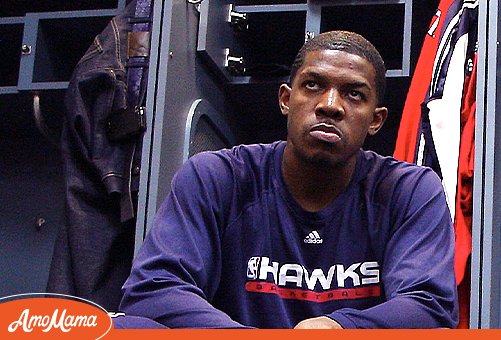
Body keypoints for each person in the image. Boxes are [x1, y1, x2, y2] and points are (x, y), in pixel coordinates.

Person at [117, 30, 458, 329]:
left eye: (354, 94)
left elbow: (429, 304)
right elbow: (154, 289)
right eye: (313, 85)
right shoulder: (217, 176)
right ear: (286, 99)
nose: (329, 105)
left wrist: (338, 327)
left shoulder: (410, 190)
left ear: (376, 120)